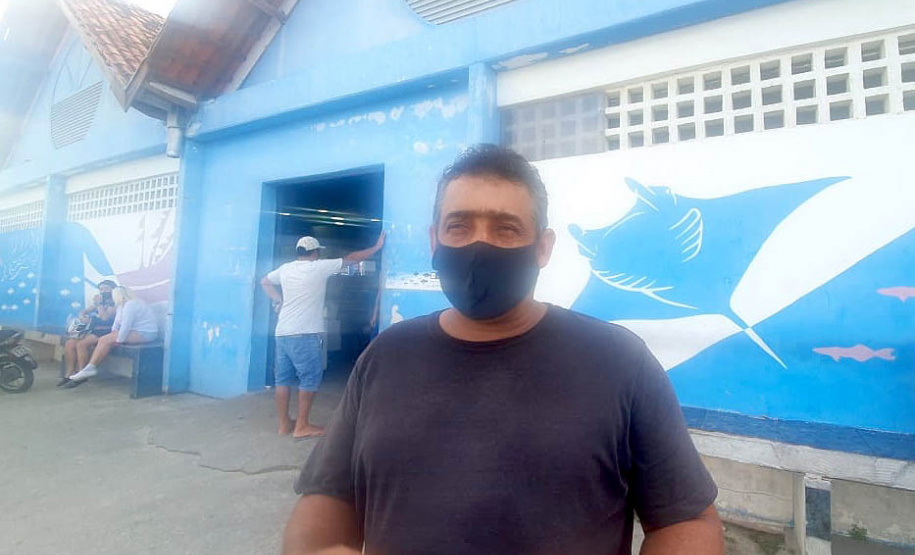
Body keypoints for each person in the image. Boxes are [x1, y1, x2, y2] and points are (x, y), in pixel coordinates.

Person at [283, 145, 724, 555]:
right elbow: (329, 496)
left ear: (543, 248)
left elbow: (688, 521)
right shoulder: (385, 356)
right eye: (459, 226)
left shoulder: (619, 361)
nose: (480, 245)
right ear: (434, 240)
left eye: (506, 228)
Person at [261, 234, 385, 440]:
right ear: (316, 252)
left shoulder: (285, 269)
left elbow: (264, 281)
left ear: (298, 252)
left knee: (282, 379)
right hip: (305, 333)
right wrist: (376, 247)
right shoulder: (318, 267)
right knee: (309, 378)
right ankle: (302, 426)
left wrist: (278, 300)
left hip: (282, 332)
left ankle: (284, 425)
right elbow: (352, 258)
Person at [64, 286, 159, 387]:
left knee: (105, 340)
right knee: (104, 339)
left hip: (146, 333)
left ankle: (90, 368)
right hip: (134, 330)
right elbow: (117, 324)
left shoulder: (132, 304)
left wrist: (118, 340)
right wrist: (113, 334)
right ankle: (88, 368)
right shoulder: (122, 305)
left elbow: (126, 326)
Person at [60, 279, 118, 387]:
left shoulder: (114, 302)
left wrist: (99, 304)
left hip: (106, 330)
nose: (103, 291)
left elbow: (104, 317)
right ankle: (69, 373)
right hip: (93, 329)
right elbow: (83, 311)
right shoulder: (98, 301)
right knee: (70, 344)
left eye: (106, 289)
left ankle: (82, 374)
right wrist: (83, 317)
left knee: (82, 344)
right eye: (101, 289)